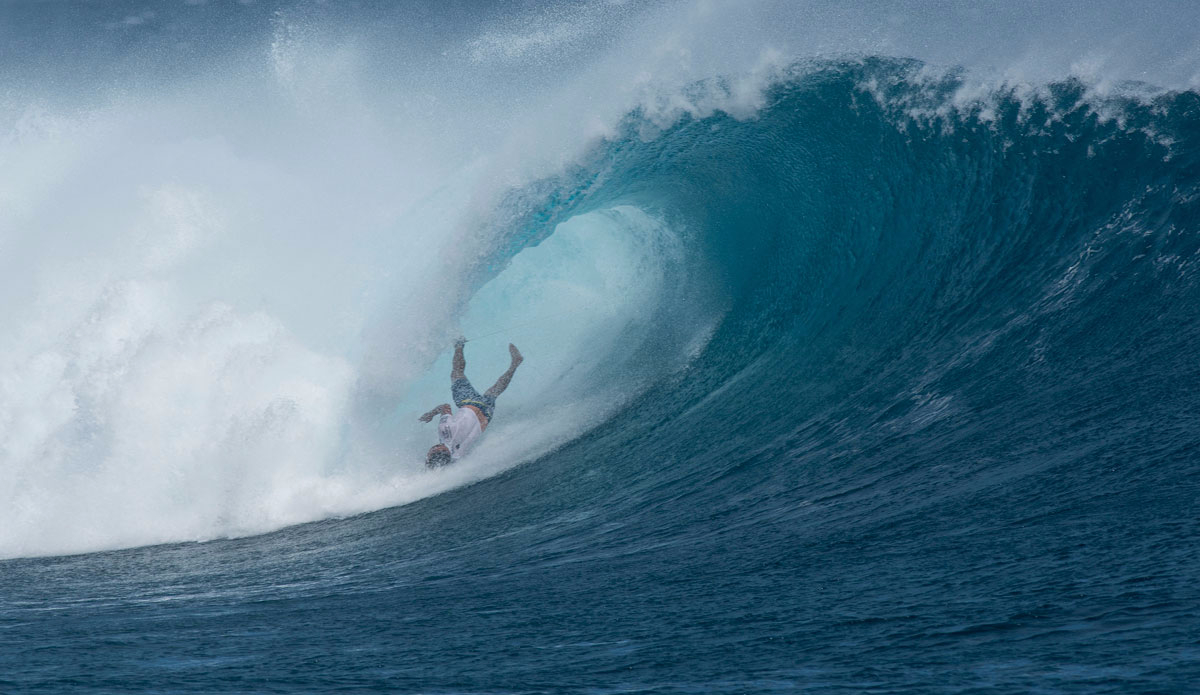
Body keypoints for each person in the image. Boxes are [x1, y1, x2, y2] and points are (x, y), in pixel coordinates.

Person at [419, 340, 523, 468]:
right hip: (469, 403)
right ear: (434, 449)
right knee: (457, 374)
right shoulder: (444, 432)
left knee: (494, 391)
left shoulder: (457, 457)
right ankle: (459, 344)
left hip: (486, 414)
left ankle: (514, 365)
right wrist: (431, 414)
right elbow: (445, 407)